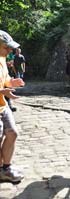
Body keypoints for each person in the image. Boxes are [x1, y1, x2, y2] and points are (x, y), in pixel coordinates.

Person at [0, 30, 25, 182]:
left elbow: (5, 79)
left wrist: (11, 83)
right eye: (6, 47)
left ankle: (6, 168)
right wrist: (3, 91)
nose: (10, 50)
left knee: (12, 133)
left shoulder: (2, 59)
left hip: (2, 106)